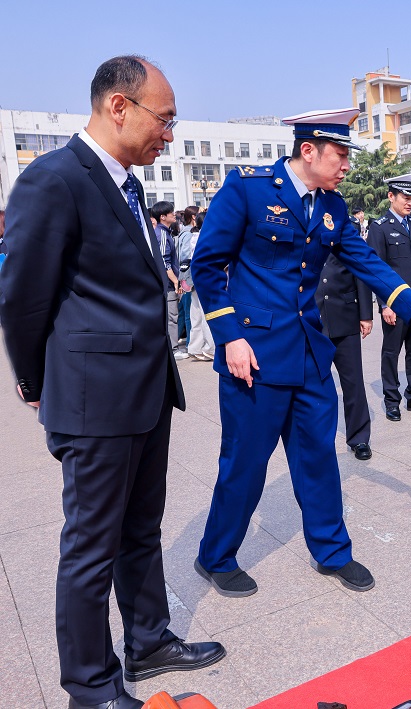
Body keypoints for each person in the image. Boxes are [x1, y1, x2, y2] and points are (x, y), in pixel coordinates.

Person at [0, 55, 223, 709]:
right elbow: (22, 298)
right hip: (94, 398)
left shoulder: (128, 184)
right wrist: (36, 383)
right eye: (166, 120)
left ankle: (148, 640)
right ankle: (92, 685)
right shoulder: (54, 179)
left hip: (146, 391)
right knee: (91, 546)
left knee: (141, 528)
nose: (170, 135)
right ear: (119, 107)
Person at [191, 109, 411, 598]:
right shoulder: (248, 189)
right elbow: (206, 266)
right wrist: (229, 337)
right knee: (245, 463)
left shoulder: (332, 205)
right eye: (340, 154)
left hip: (310, 351)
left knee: (318, 457)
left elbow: (366, 262)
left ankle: (332, 552)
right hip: (254, 353)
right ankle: (216, 556)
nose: (347, 165)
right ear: (308, 151)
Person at [367, 173, 411, 420]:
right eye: (405, 198)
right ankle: (392, 400)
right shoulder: (380, 227)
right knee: (391, 353)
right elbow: (376, 269)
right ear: (391, 196)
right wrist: (384, 304)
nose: (409, 202)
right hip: (395, 304)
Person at [315, 250, 375, 460]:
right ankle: (317, 438)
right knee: (315, 385)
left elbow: (360, 271)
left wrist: (366, 315)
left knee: (353, 382)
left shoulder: (344, 232)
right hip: (313, 320)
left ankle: (359, 438)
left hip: (345, 315)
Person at [150, 200, 188, 360]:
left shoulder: (163, 232)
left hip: (166, 283)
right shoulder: (163, 234)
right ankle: (173, 349)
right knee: (172, 317)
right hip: (168, 284)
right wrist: (175, 281)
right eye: (171, 212)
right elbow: (164, 261)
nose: (174, 214)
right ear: (162, 216)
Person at [185, 211, 215, 361]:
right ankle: (209, 348)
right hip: (206, 278)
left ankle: (195, 347)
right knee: (207, 314)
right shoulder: (207, 236)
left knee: (196, 315)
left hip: (194, 278)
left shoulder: (194, 236)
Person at [177, 205, 200, 348]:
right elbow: (185, 258)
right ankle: (191, 344)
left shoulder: (185, 232)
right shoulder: (188, 234)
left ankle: (190, 344)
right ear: (193, 217)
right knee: (190, 313)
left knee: (187, 312)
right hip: (188, 278)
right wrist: (185, 280)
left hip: (186, 278)